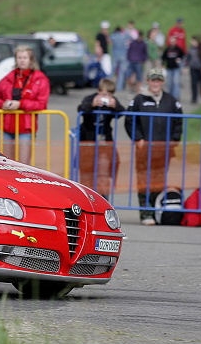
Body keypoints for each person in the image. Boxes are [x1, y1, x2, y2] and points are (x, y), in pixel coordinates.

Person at [125, 68, 183, 225]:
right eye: (153, 80)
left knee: (159, 180)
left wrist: (174, 140)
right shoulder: (139, 100)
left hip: (164, 150)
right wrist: (138, 138)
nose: (156, 83)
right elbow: (130, 120)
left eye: (158, 80)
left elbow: (178, 122)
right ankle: (146, 213)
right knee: (143, 180)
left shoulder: (171, 101)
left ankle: (156, 210)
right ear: (148, 81)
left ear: (162, 82)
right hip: (144, 149)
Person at [0, 45, 50, 164]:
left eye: (25, 58)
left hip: (25, 127)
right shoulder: (8, 77)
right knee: (5, 163)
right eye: (19, 58)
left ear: (31, 60)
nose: (22, 60)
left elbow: (41, 104)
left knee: (23, 164)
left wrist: (20, 104)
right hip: (4, 125)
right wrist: (3, 104)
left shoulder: (40, 79)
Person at [77, 77, 125, 198]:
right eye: (103, 94)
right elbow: (81, 108)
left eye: (109, 94)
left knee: (103, 173)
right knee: (86, 173)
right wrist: (92, 104)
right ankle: (85, 199)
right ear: (98, 91)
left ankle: (103, 199)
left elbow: (122, 111)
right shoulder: (90, 98)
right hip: (88, 142)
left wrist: (114, 105)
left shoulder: (112, 101)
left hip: (104, 143)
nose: (105, 97)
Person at [161, 34, 185, 101]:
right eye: (171, 41)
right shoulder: (167, 49)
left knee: (176, 82)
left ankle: (176, 97)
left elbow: (183, 56)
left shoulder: (178, 49)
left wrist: (180, 60)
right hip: (169, 68)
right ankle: (170, 96)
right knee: (169, 83)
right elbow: (163, 58)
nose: (172, 42)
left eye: (174, 41)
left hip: (176, 68)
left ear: (175, 42)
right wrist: (163, 65)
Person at [187, 36, 201, 105]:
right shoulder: (190, 49)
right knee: (194, 83)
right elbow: (188, 58)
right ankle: (194, 98)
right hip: (193, 68)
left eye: (194, 41)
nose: (192, 42)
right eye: (192, 41)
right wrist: (186, 65)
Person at [110, 25, 129, 91]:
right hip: (123, 55)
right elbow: (131, 38)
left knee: (112, 71)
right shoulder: (124, 36)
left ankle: (107, 85)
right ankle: (119, 87)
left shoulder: (113, 36)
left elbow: (109, 41)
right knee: (121, 72)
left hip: (115, 55)